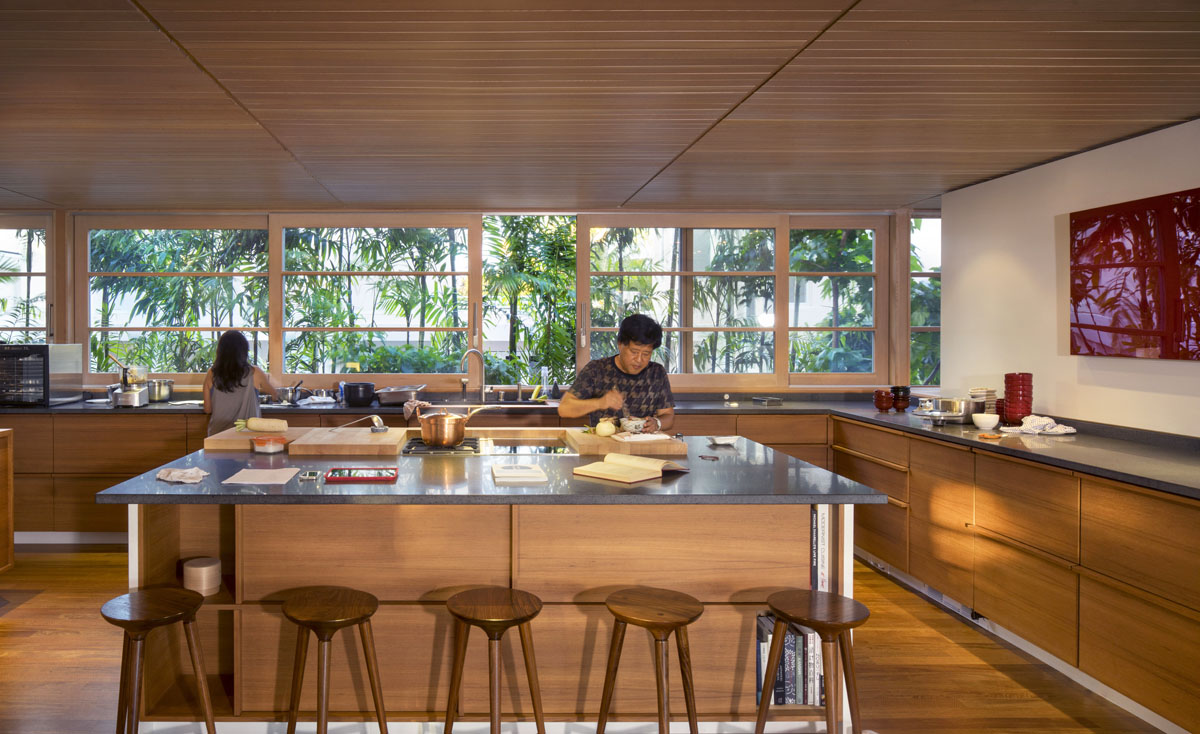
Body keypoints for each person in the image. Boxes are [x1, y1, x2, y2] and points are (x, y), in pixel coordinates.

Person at [558, 313, 675, 432]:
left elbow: (668, 416)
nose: (639, 360)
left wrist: (657, 423)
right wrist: (600, 403)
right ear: (620, 344)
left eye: (646, 354)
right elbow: (564, 408)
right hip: (603, 442)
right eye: (634, 352)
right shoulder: (597, 370)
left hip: (644, 442)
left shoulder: (656, 373)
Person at [203, 331, 279, 435]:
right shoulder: (254, 372)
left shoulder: (211, 373)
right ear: (244, 351)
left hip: (217, 435)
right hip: (248, 435)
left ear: (220, 351)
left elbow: (207, 409)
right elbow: (274, 394)